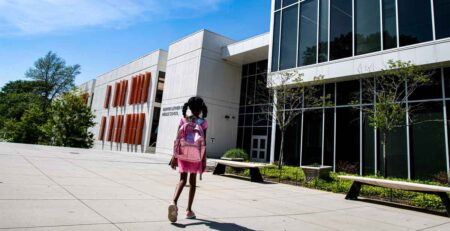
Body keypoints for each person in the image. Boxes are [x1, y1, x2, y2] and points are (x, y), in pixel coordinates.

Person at [168, 97, 208, 223]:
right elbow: (204, 143)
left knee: (182, 179)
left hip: (183, 153)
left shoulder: (183, 120)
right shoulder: (203, 123)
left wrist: (174, 156)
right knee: (192, 182)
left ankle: (173, 201)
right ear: (201, 109)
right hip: (196, 155)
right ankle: (189, 210)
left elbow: (177, 139)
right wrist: (203, 160)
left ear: (189, 108)